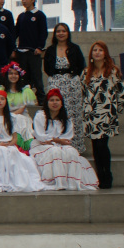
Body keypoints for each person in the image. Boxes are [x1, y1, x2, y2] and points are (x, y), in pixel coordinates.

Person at [31, 89, 99, 191]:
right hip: (41, 146)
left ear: (61, 103)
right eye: (51, 100)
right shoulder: (41, 115)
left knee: (72, 151)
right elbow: (41, 136)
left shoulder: (66, 119)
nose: (54, 103)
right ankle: (56, 181)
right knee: (55, 151)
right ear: (47, 102)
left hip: (60, 145)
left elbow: (67, 138)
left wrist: (55, 141)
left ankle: (71, 183)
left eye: (57, 100)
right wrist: (57, 140)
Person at [0, 90, 44, 192]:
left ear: (6, 101)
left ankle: (11, 180)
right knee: (0, 153)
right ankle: (1, 181)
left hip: (7, 145)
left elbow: (14, 137)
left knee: (12, 152)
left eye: (2, 99)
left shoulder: (11, 118)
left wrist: (9, 143)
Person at [83, 41, 124, 189]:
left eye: (100, 50)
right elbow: (83, 93)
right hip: (92, 114)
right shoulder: (86, 72)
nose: (97, 52)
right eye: (95, 50)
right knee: (95, 146)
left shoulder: (112, 71)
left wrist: (116, 110)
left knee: (102, 145)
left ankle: (107, 174)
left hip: (107, 114)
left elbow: (120, 91)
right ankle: (100, 175)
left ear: (105, 53)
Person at [43, 23, 86, 154]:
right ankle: (57, 143)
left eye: (64, 31)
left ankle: (75, 146)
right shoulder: (50, 49)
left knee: (73, 114)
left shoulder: (75, 48)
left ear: (68, 33)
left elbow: (81, 65)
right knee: (57, 113)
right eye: (58, 31)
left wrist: (72, 78)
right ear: (55, 34)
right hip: (56, 82)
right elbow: (46, 68)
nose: (61, 33)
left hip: (72, 83)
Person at [14, 0, 48, 104]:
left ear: (33, 0)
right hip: (22, 52)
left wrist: (40, 47)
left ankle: (42, 102)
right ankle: (24, 101)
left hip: (34, 52)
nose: (24, 1)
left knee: (37, 78)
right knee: (23, 78)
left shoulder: (39, 15)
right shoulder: (21, 16)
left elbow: (43, 33)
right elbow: (15, 33)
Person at [0, 61, 37, 144]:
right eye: (11, 73)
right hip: (4, 116)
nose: (13, 76)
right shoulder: (0, 90)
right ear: (6, 76)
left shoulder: (26, 91)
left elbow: (26, 109)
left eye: (16, 74)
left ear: (19, 76)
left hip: (21, 117)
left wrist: (13, 115)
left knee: (19, 119)